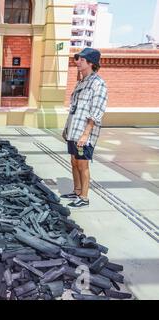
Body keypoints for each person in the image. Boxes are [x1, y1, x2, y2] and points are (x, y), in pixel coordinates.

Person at [61, 48, 108, 209]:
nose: (77, 61)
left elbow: (96, 112)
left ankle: (84, 197)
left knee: (83, 164)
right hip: (74, 130)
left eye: (82, 59)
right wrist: (67, 128)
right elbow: (75, 108)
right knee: (74, 161)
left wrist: (85, 134)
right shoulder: (81, 82)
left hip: (84, 133)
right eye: (78, 58)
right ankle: (77, 191)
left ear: (91, 63)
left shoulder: (98, 84)